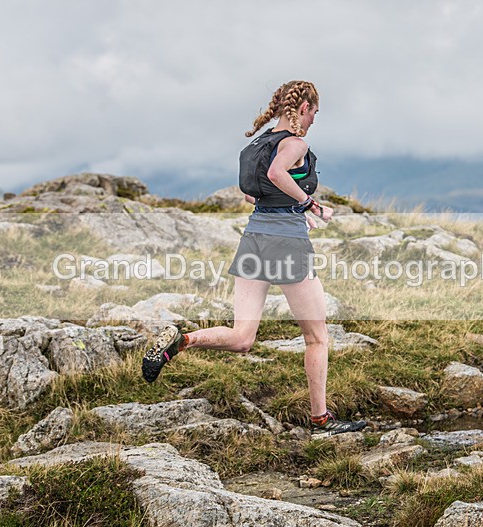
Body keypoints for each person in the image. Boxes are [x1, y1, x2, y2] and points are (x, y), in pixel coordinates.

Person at [141, 80, 367, 437]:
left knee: (243, 336)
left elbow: (252, 193)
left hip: (253, 240)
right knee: (317, 337)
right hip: (286, 244)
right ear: (303, 109)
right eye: (315, 114)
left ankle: (181, 342)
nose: (313, 122)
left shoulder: (256, 144)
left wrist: (293, 206)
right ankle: (321, 420)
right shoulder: (296, 143)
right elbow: (278, 174)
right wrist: (309, 205)